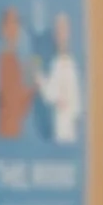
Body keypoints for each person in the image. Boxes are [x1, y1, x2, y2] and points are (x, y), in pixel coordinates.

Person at [36, 12, 83, 144]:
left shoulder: (68, 63)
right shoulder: (58, 61)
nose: (60, 35)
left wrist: (37, 75)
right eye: (57, 31)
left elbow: (50, 94)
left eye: (63, 30)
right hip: (62, 127)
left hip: (65, 128)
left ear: (68, 33)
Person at [0, 6, 35, 140]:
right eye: (10, 23)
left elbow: (26, 99)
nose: (14, 28)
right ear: (4, 29)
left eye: (16, 23)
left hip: (17, 131)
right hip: (6, 131)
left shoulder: (18, 60)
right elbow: (15, 101)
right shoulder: (4, 60)